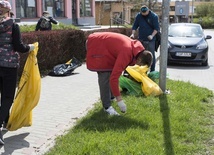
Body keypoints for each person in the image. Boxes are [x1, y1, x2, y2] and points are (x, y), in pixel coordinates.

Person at [86, 32, 153, 116]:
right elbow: (114, 78)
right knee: (105, 75)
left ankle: (111, 98)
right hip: (96, 44)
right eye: (140, 64)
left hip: (103, 45)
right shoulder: (127, 52)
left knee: (110, 72)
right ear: (139, 60)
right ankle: (107, 107)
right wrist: (119, 100)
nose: (138, 66)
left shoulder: (137, 49)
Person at [0, 0, 35, 145]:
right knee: (7, 97)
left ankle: (6, 120)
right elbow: (19, 47)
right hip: (9, 66)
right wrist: (31, 47)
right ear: (9, 11)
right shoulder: (13, 25)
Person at [130, 5, 160, 72]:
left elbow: (156, 28)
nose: (143, 14)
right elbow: (135, 26)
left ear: (148, 10)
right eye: (142, 13)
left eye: (145, 13)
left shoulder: (154, 16)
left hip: (151, 40)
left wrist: (152, 36)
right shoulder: (139, 16)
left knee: (151, 55)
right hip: (141, 39)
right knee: (141, 56)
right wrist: (133, 34)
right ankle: (142, 71)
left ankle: (152, 71)